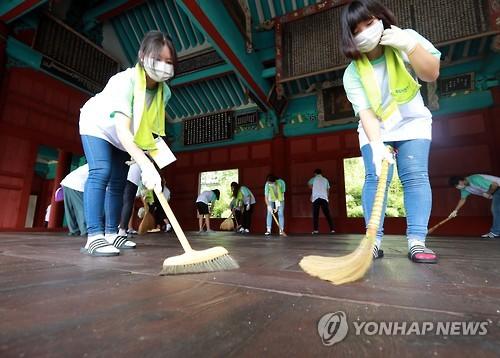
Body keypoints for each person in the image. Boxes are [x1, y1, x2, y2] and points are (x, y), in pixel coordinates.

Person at [341, 0, 440, 263]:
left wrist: (408, 46)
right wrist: (376, 146)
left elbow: (431, 73)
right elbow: (366, 114)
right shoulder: (352, 74)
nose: (365, 31)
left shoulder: (405, 39)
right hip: (376, 128)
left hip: (412, 122)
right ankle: (373, 241)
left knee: (415, 177)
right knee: (375, 178)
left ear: (382, 19)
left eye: (370, 23)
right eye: (356, 29)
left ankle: (417, 242)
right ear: (350, 37)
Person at [79, 30, 177, 256]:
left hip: (125, 137)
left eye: (168, 62)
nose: (163, 66)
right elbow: (122, 129)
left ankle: (113, 234)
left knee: (118, 183)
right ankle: (94, 236)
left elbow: (151, 129)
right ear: (142, 56)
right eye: (157, 59)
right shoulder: (124, 81)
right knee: (101, 171)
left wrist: (154, 167)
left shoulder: (166, 93)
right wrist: (144, 165)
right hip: (98, 125)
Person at [448, 175, 500, 239]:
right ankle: (496, 232)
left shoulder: (475, 179)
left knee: (496, 209)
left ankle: (495, 232)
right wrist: (455, 211)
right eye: (456, 186)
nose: (458, 187)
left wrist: (488, 193)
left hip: (498, 188)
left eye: (457, 185)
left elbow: (495, 185)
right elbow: (463, 199)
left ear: (461, 180)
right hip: (496, 192)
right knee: (497, 209)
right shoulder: (465, 188)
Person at [60, 164, 89, 236]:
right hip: (77, 184)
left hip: (67, 183)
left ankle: (74, 230)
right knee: (81, 208)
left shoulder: (96, 161)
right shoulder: (105, 164)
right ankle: (85, 231)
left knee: (70, 209)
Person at [116, 163, 142, 240]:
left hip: (120, 173)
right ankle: (122, 230)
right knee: (128, 202)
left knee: (116, 200)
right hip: (133, 177)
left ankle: (112, 229)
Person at [308, 169, 335, 234]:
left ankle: (316, 230)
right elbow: (328, 190)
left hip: (316, 198)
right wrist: (327, 197)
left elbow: (309, 185)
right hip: (324, 198)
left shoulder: (313, 179)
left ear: (315, 173)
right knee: (327, 214)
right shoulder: (326, 180)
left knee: (315, 215)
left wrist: (314, 189)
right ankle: (332, 229)